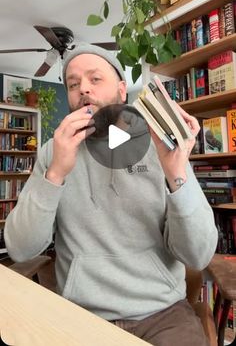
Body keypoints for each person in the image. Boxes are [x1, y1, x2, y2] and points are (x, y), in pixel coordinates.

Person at [4, 43, 218, 346]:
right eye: (74, 85)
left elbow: (198, 254)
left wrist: (176, 174)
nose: (83, 91)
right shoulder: (53, 151)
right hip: (80, 314)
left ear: (121, 91)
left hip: (162, 314)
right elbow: (21, 249)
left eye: (95, 79)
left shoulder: (162, 148)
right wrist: (55, 174)